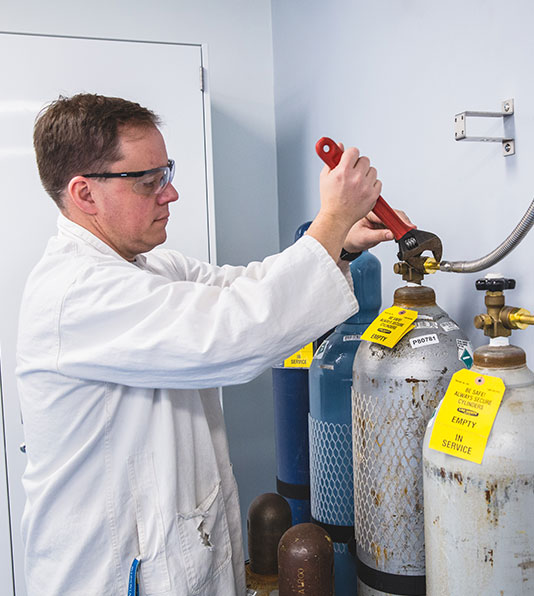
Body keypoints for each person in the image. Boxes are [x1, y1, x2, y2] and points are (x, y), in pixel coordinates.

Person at [16, 93, 401, 595]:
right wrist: (329, 222)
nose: (169, 194)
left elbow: (247, 289)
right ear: (85, 194)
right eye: (149, 181)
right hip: (110, 575)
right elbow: (234, 333)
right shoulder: (75, 295)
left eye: (166, 173)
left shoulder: (149, 269)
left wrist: (341, 241)